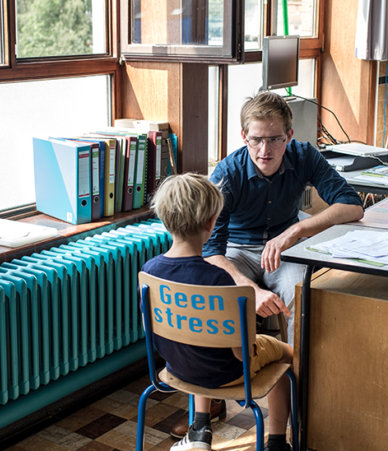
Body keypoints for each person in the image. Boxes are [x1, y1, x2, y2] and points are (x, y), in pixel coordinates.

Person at [142, 173, 295, 451]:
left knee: (198, 338)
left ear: (164, 220)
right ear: (211, 223)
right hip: (227, 374)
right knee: (287, 357)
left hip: (178, 368)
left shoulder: (150, 272)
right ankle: (276, 441)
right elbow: (242, 355)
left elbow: (153, 333)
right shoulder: (219, 281)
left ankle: (200, 429)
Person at [204, 91, 364, 343]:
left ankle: (294, 374)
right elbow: (212, 252)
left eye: (275, 139)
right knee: (225, 300)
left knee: (301, 297)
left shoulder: (304, 155)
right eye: (256, 140)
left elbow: (352, 206)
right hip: (237, 248)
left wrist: (294, 232)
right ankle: (239, 375)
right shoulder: (226, 173)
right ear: (244, 137)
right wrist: (251, 290)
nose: (265, 150)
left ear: (289, 136)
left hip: (286, 246)